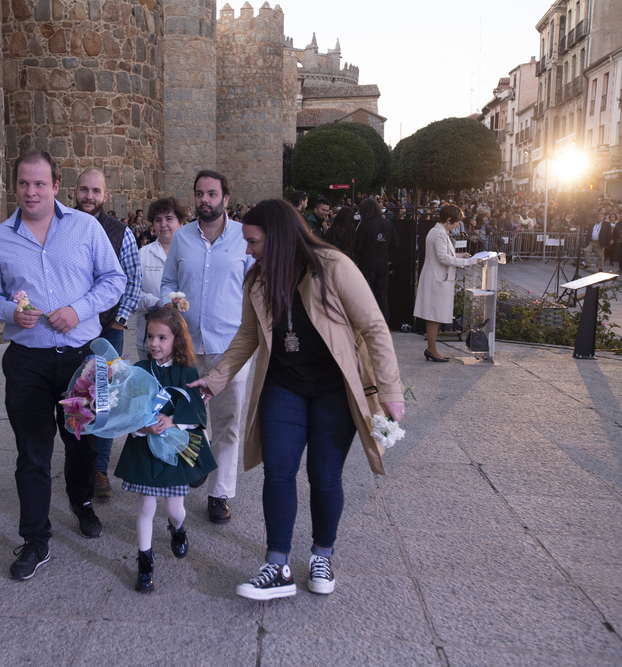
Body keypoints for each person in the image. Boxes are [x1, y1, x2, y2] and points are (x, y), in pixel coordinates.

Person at [189, 198, 404, 601]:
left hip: (333, 391)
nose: (248, 250)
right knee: (279, 472)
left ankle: (322, 554)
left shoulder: (333, 267)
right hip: (283, 386)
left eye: (253, 241)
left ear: (279, 236)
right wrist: (214, 380)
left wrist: (391, 393)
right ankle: (277, 565)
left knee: (324, 476)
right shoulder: (257, 280)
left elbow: (374, 326)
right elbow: (248, 337)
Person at [0, 149, 125, 581]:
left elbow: (113, 279)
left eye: (40, 183)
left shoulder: (84, 227)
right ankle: (35, 538)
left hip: (81, 361)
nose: (31, 191)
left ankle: (80, 502)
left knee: (82, 444)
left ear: (56, 186)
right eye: (24, 183)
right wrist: (7, 311)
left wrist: (79, 310)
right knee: (33, 452)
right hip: (28, 363)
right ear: (15, 186)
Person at [160, 169, 252, 524]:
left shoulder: (245, 238)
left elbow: (254, 288)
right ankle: (196, 463)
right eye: (200, 194)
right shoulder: (182, 238)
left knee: (227, 422)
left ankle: (220, 494)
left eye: (212, 194)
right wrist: (172, 298)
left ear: (226, 198)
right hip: (188, 345)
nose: (205, 201)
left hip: (231, 348)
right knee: (188, 417)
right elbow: (168, 281)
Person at [113, 307, 217, 593]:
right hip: (145, 446)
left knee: (175, 509)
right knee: (146, 505)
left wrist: (173, 420)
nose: (154, 344)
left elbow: (195, 410)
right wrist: (144, 427)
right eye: (150, 337)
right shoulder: (140, 370)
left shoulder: (187, 371)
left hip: (175, 448)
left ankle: (178, 529)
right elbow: (131, 409)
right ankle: (145, 562)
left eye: (162, 337)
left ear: (177, 340)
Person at [72, 167, 141, 501]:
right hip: (70, 331)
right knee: (74, 396)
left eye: (95, 191)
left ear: (105, 195)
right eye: (84, 189)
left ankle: (99, 468)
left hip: (106, 330)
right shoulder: (62, 226)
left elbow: (133, 278)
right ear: (74, 190)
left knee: (105, 401)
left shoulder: (121, 232)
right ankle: (78, 461)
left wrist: (120, 321)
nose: (89, 196)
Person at [413, 203, 481, 362]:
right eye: (457, 222)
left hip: (438, 278)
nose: (458, 225)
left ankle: (432, 349)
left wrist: (460, 255)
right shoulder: (438, 234)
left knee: (434, 315)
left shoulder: (439, 232)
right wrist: (467, 261)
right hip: (437, 279)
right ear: (449, 219)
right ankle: (431, 349)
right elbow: (443, 258)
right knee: (434, 315)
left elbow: (444, 255)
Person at [134, 197, 188, 360]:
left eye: (169, 218)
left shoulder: (193, 254)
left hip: (185, 338)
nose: (163, 224)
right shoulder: (142, 254)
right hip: (150, 341)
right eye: (158, 220)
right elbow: (132, 294)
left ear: (181, 222)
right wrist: (155, 303)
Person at [354, 197, 397, 322]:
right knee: (382, 296)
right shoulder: (387, 224)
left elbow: (359, 247)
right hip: (383, 264)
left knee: (367, 296)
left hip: (366, 264)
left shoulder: (364, 225)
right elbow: (395, 244)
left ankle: (368, 323)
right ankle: (384, 323)